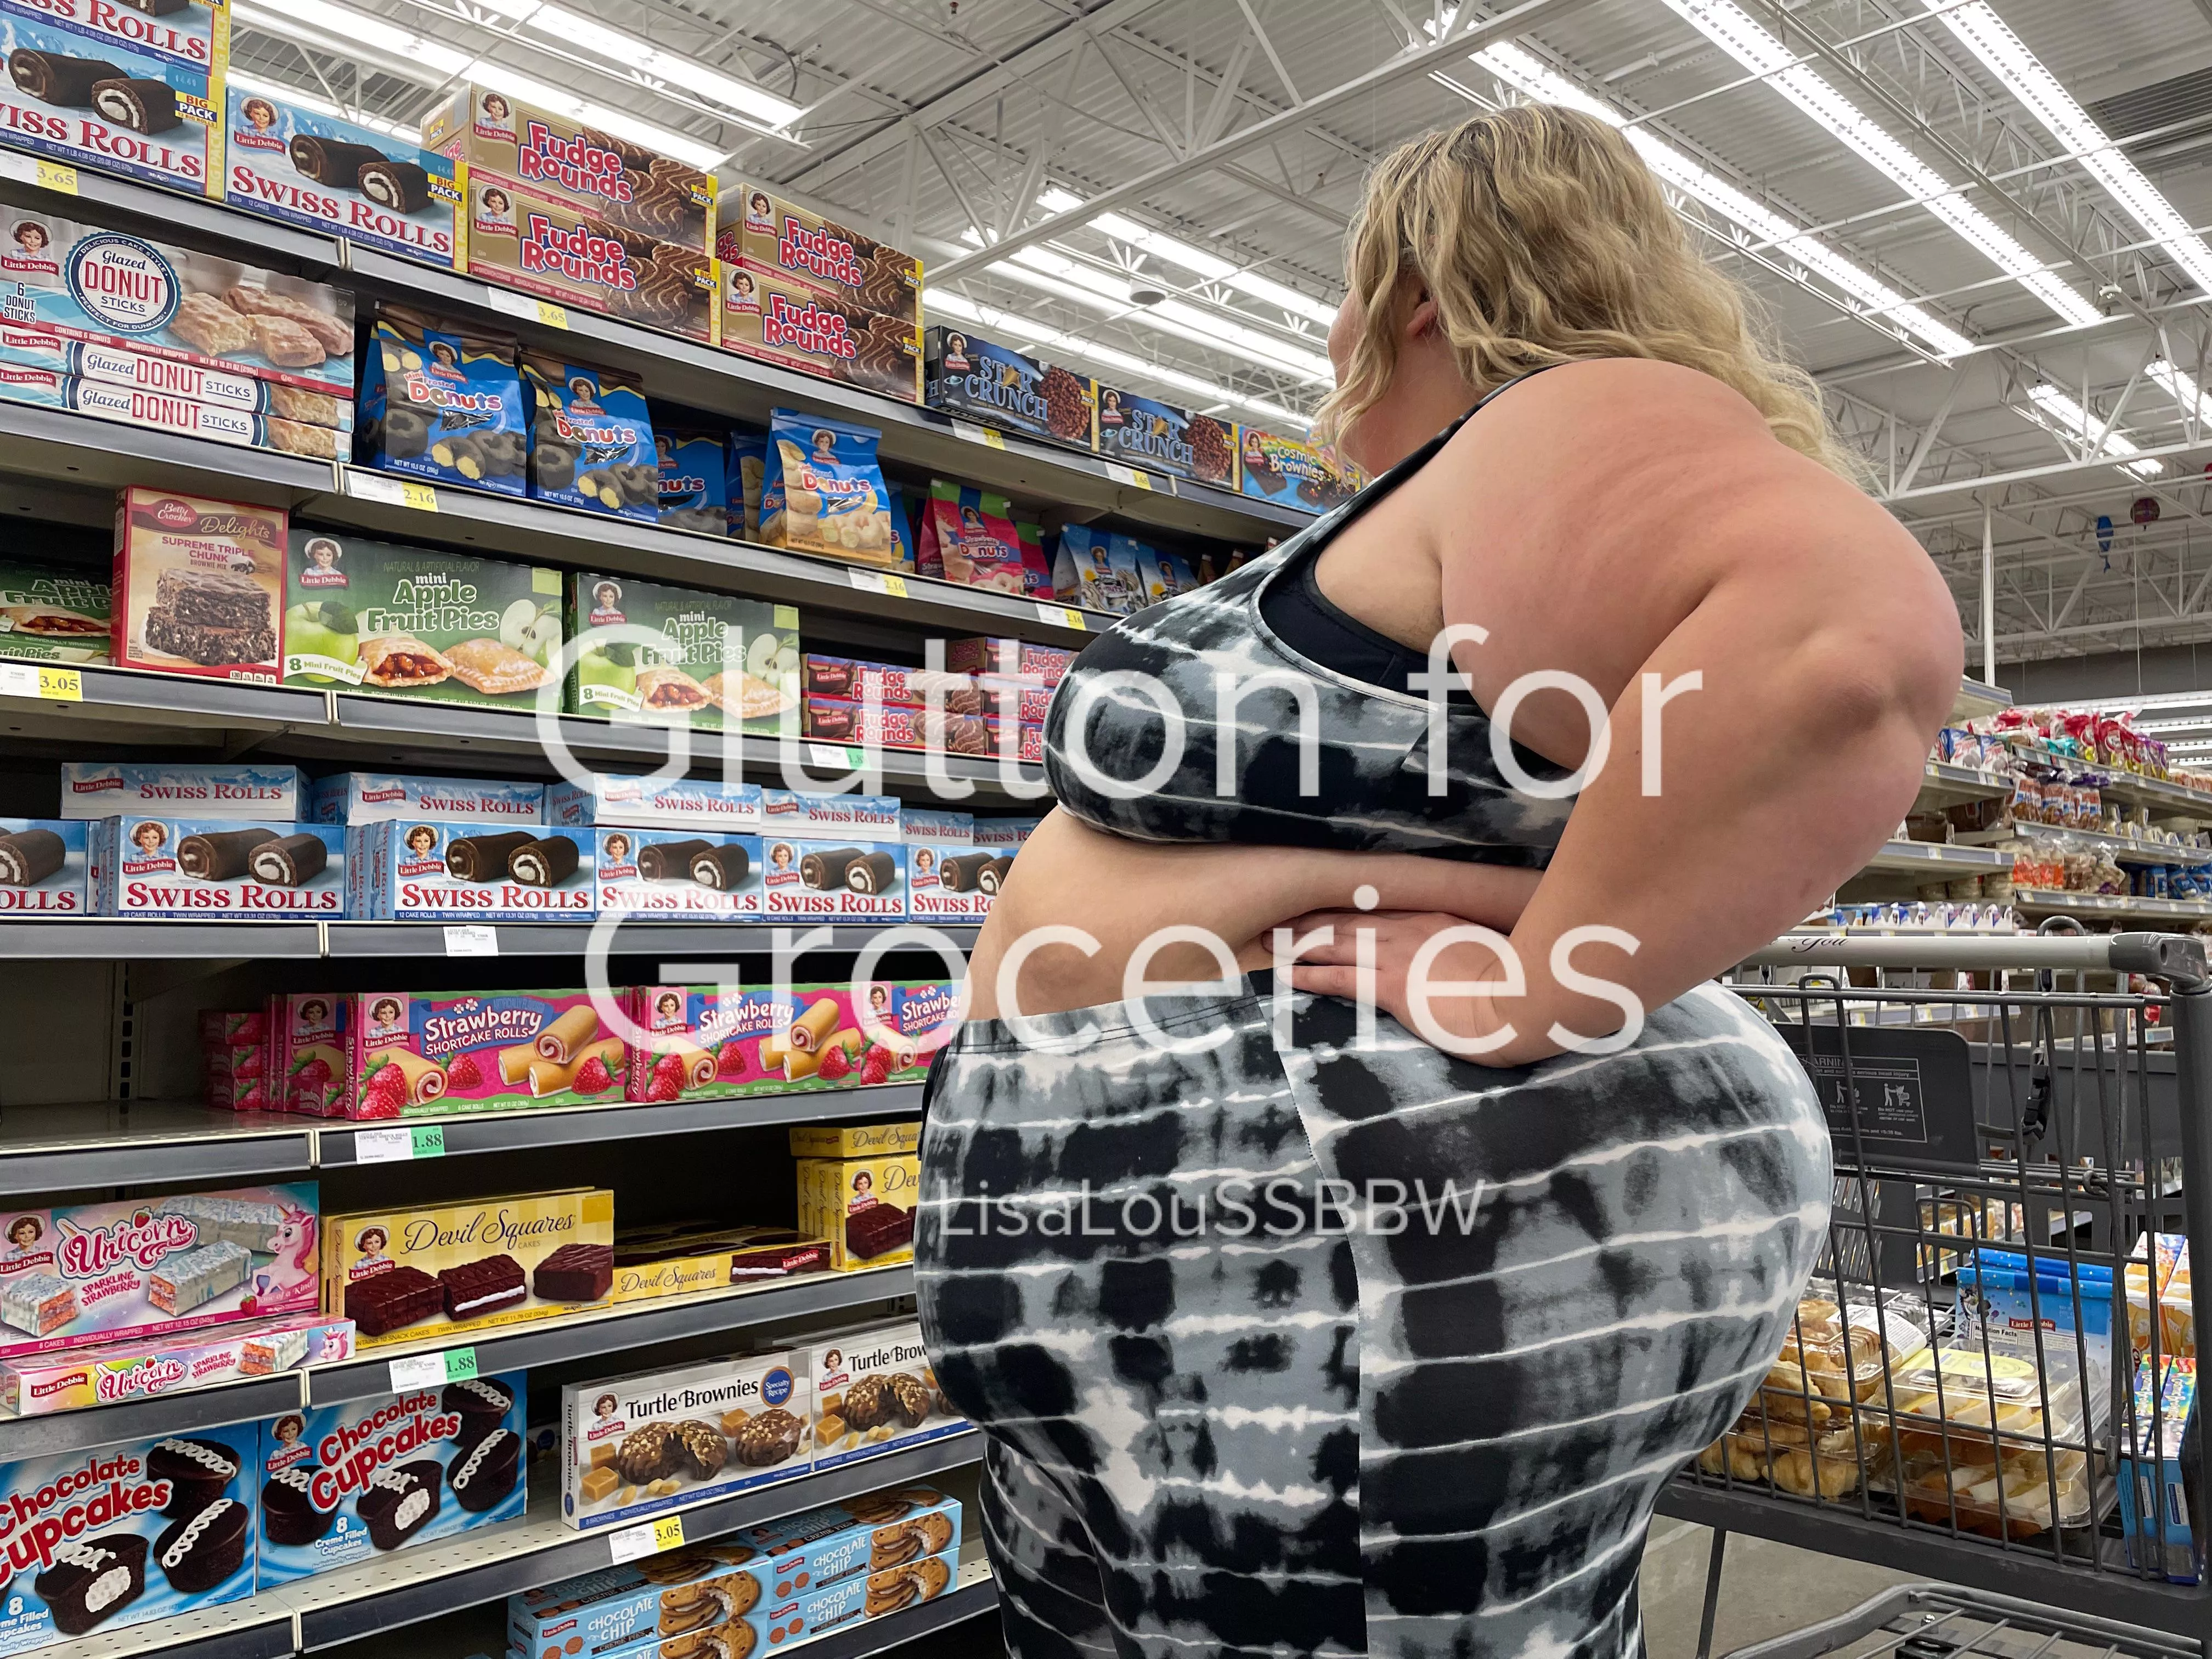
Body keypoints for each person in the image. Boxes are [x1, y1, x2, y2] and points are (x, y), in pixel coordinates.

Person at [915, 104, 1960, 1659]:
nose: (1329, 337)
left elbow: (1846, 649)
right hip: (1332, 1292)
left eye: (1341, 293)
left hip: (1326, 1293)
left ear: (1417, 299)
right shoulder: (1498, 512)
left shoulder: (1566, 420)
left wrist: (1540, 974)